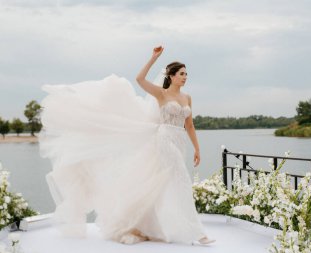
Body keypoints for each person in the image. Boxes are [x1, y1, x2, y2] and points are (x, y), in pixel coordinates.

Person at [39, 46, 215, 245]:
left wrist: (197, 148)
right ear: (172, 76)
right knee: (181, 181)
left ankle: (159, 226)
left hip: (179, 140)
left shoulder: (187, 98)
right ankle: (198, 233)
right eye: (182, 74)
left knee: (166, 184)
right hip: (164, 139)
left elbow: (189, 125)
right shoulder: (161, 94)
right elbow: (140, 79)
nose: (185, 77)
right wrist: (153, 57)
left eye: (186, 74)